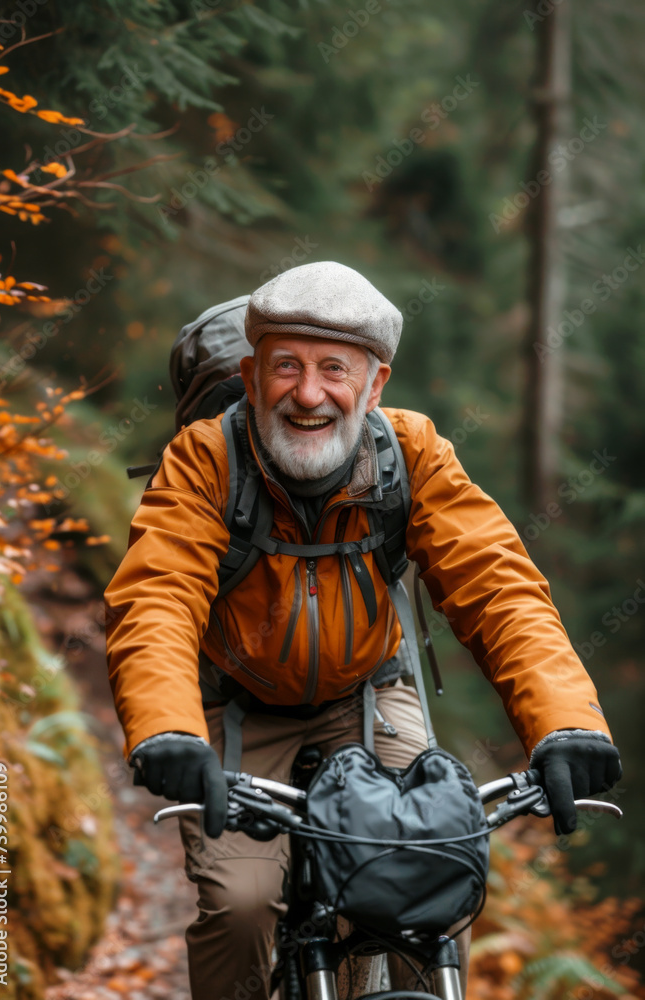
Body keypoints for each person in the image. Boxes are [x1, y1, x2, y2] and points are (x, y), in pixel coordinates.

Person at [104, 261, 621, 1000]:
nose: (308, 394)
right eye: (286, 366)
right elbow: (156, 596)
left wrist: (565, 725)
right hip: (234, 715)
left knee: (435, 885)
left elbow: (499, 589)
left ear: (374, 386)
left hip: (368, 701)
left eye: (333, 370)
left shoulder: (409, 455)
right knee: (242, 910)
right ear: (251, 376)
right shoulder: (205, 460)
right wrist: (169, 730)